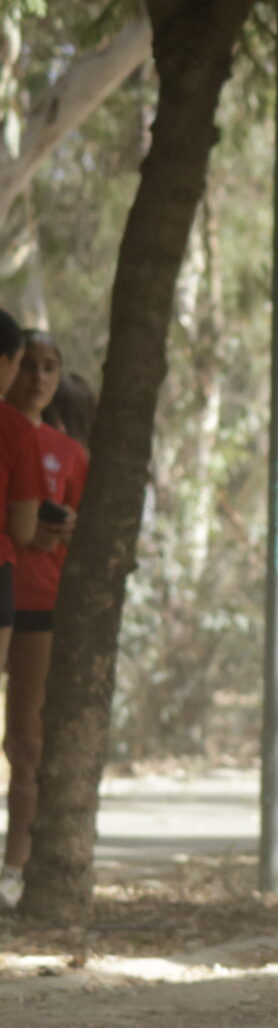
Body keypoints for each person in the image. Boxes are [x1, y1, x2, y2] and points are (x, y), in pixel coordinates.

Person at [1, 340, 81, 911]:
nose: (37, 377)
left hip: (39, 605)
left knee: (25, 741)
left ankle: (14, 869)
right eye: (27, 364)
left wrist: (67, 527)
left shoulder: (69, 453)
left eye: (49, 367)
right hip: (7, 584)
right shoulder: (10, 431)